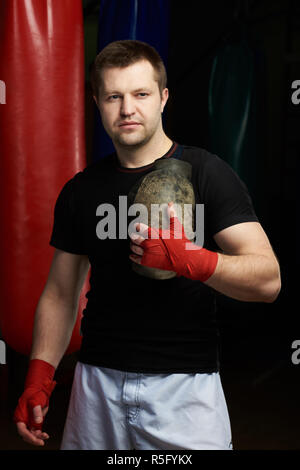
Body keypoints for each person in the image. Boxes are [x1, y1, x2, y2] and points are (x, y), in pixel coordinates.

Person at [13, 39, 281, 450]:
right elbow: (61, 293)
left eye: (140, 94)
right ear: (97, 102)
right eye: (113, 96)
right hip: (95, 388)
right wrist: (39, 374)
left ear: (163, 98)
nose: (127, 109)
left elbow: (268, 281)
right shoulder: (80, 191)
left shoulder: (208, 174)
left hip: (184, 390)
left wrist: (193, 260)